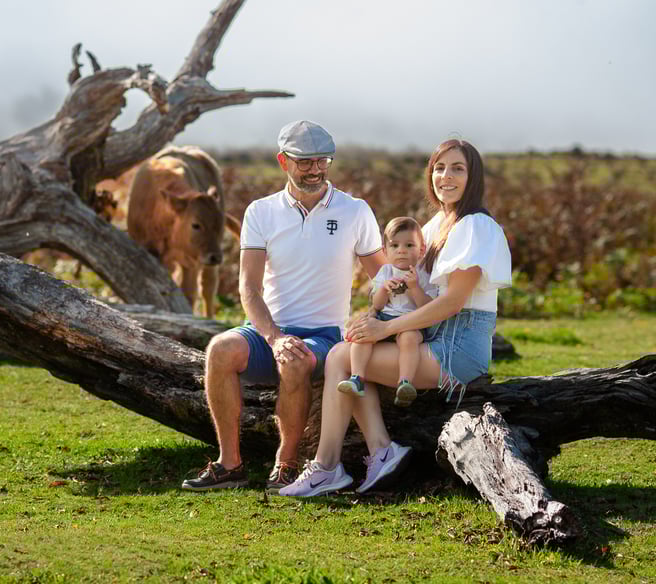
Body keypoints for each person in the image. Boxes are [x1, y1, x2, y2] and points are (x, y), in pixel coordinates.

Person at [280, 138, 512, 497]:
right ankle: (379, 452)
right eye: (438, 167)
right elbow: (408, 287)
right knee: (351, 351)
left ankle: (329, 466)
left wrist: (385, 327)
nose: (445, 176)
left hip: (458, 347)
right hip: (432, 336)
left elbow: (452, 303)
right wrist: (375, 314)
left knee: (341, 356)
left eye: (457, 168)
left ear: (474, 176)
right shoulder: (436, 225)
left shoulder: (475, 225)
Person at [181, 120, 387, 492]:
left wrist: (376, 317)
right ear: (283, 161)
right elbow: (249, 287)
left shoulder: (355, 211)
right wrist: (274, 337)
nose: (315, 169)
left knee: (294, 360)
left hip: (323, 336)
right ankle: (230, 465)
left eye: (322, 160)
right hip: (267, 331)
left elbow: (384, 277)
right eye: (304, 162)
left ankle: (287, 463)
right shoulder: (261, 212)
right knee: (219, 349)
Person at [337, 217, 439, 408]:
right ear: (385, 251)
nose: (401, 250)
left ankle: (405, 382)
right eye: (394, 246)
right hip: (384, 318)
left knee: (409, 340)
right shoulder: (385, 272)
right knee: (362, 335)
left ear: (421, 250)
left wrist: (415, 287)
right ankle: (357, 377)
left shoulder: (424, 274)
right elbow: (377, 305)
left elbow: (427, 306)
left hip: (411, 322)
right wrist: (383, 289)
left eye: (409, 245)